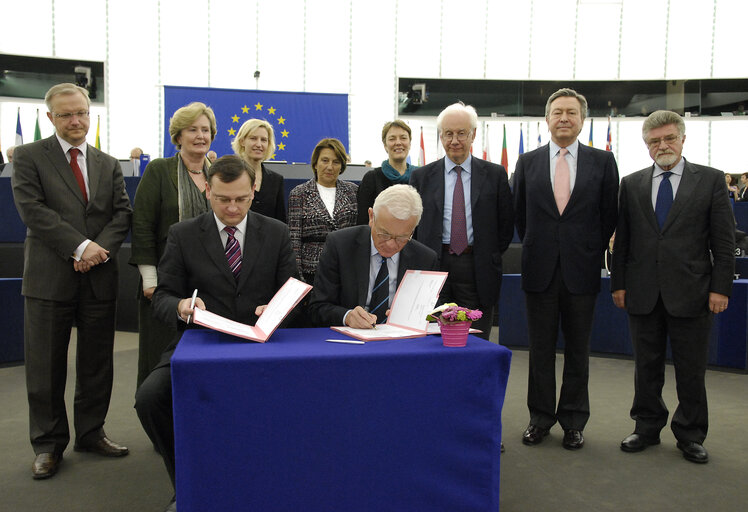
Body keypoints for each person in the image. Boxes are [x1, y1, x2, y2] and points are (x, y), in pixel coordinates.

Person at [135, 155, 298, 512]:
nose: (233, 207)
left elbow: (293, 289)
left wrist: (277, 309)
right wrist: (181, 307)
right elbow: (161, 297)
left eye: (241, 198)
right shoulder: (183, 234)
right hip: (200, 343)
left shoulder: (276, 232)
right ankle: (186, 481)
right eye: (223, 199)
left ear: (254, 191)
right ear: (208, 191)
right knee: (149, 399)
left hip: (261, 345)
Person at [11, 83, 132, 479]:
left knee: (97, 363)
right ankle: (48, 445)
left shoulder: (107, 161)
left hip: (99, 277)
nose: (76, 120)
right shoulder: (29, 157)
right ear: (51, 118)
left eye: (81, 112)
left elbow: (121, 213)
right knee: (45, 366)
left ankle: (91, 433)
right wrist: (80, 247)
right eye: (66, 114)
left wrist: (98, 250)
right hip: (49, 278)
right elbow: (33, 210)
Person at [611, 110, 735, 464]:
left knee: (691, 369)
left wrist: (720, 289)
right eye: (654, 141)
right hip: (642, 292)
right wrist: (618, 284)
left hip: (693, 293)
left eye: (668, 138)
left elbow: (723, 243)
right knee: (645, 367)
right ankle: (646, 427)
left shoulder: (709, 180)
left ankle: (691, 434)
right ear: (646, 145)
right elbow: (625, 240)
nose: (662, 145)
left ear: (682, 139)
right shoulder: (631, 184)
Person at [513, 88, 620, 450]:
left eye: (571, 113)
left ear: (581, 119)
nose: (564, 118)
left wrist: (584, 247)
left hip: (582, 270)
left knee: (578, 350)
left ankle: (574, 420)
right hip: (539, 270)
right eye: (557, 112)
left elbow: (609, 216)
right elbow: (520, 216)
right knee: (539, 350)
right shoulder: (527, 162)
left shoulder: (603, 162)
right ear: (547, 119)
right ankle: (540, 418)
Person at [129, 102, 217, 389]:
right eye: (192, 129)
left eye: (205, 130)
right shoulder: (159, 170)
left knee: (204, 360)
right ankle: (160, 424)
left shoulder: (217, 174)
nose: (200, 136)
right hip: (164, 283)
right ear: (178, 136)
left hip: (209, 284)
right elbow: (141, 224)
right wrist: (149, 278)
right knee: (160, 359)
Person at [409, 102, 514, 340]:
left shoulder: (495, 175)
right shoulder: (421, 177)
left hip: (477, 267)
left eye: (461, 133)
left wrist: (489, 253)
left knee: (475, 339)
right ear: (441, 136)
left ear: (473, 134)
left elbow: (505, 225)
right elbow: (413, 228)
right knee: (433, 337)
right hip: (434, 265)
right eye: (448, 134)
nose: (454, 140)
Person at [309, 184, 438, 327]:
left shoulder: (425, 258)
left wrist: (414, 316)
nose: (391, 244)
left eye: (402, 237)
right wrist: (347, 317)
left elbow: (435, 313)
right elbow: (317, 307)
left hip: (400, 341)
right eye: (384, 234)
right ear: (371, 216)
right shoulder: (340, 245)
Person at [287, 138, 358, 284]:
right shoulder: (299, 193)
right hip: (311, 272)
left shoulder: (353, 192)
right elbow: (294, 238)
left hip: (345, 269)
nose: (330, 167)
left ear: (342, 166)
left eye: (336, 162)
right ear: (315, 163)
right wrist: (298, 278)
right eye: (325, 160)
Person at [356, 120, 418, 225]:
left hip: (415, 240)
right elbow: (363, 221)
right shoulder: (372, 178)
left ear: (410, 143)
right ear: (385, 145)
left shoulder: (420, 176)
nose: (398, 143)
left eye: (403, 138)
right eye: (392, 139)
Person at [231, 118, 286, 222]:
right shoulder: (230, 176)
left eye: (264, 140)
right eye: (253, 138)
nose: (259, 144)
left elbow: (281, 220)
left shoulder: (276, 180)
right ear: (242, 141)